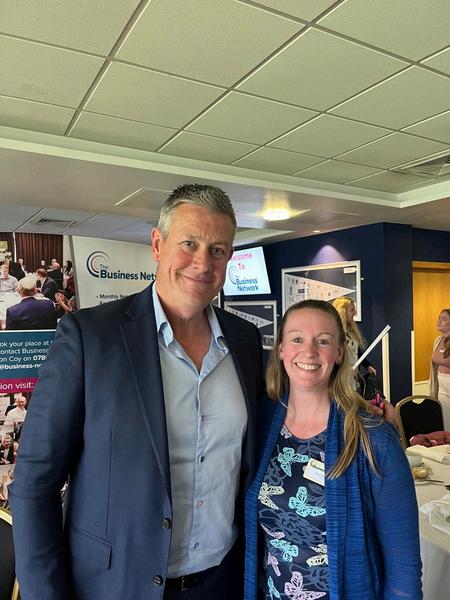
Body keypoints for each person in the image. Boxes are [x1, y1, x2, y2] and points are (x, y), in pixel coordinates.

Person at [9, 184, 263, 600]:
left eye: (218, 250)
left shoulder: (245, 340)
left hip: (223, 582)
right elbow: (35, 483)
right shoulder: (90, 337)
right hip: (115, 585)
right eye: (189, 243)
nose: (203, 263)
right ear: (158, 245)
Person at [244, 300, 421, 600]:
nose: (309, 351)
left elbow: (404, 568)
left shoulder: (374, 439)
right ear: (281, 350)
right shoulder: (260, 423)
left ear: (339, 353)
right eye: (297, 339)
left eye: (323, 341)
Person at [332, 297, 376, 394]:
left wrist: (367, 365)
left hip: (354, 380)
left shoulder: (349, 331)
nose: (355, 313)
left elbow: (356, 352)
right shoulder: (334, 334)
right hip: (341, 383)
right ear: (342, 312)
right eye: (352, 310)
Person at [429, 308, 450, 429]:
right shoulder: (438, 340)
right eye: (439, 318)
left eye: (444, 319)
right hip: (441, 383)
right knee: (445, 422)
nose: (439, 321)